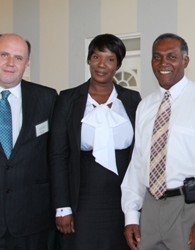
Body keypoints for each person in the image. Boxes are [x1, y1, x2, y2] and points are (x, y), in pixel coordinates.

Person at [121, 33, 195, 250]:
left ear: (185, 61)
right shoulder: (144, 106)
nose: (163, 63)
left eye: (171, 57)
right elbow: (138, 162)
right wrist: (131, 214)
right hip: (150, 207)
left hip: (189, 208)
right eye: (157, 57)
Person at [49, 34, 141, 249]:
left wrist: (137, 206)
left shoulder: (132, 99)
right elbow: (58, 156)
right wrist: (62, 207)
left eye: (110, 59)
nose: (102, 65)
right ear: (89, 59)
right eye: (96, 57)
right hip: (81, 202)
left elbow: (140, 154)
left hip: (122, 202)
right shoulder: (68, 99)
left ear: (118, 64)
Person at [0, 33, 57, 249]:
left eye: (18, 58)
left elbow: (56, 156)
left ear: (27, 63)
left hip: (32, 223)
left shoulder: (47, 98)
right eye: (4, 55)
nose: (11, 63)